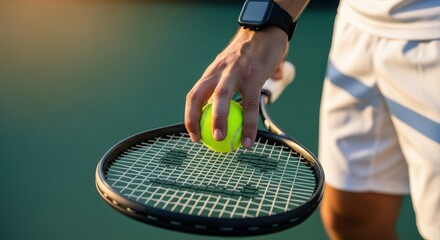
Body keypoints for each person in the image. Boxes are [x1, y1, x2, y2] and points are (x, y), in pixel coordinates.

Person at [184, 0, 440, 239]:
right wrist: (268, 23)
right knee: (350, 219)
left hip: (433, 31)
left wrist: (271, 19)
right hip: (358, 25)